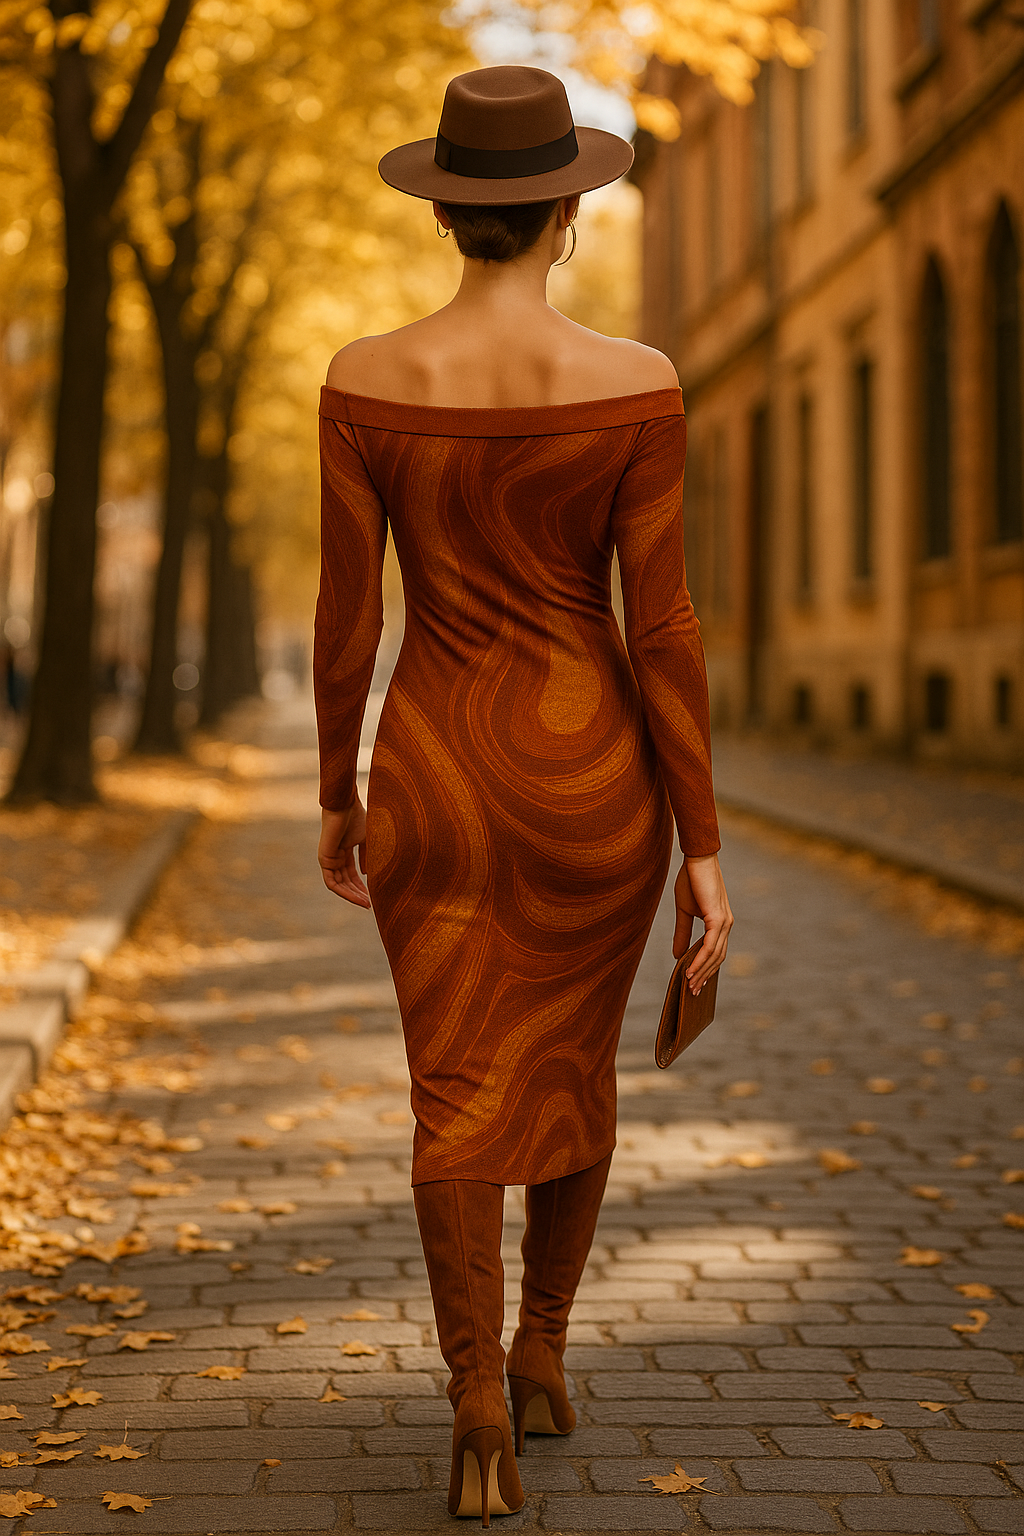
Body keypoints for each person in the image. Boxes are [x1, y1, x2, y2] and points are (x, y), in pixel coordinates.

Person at [314, 64, 733, 1525]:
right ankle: (543, 1352)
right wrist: (701, 841)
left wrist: (336, 788)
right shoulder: (640, 383)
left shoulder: (366, 379)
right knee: (571, 1068)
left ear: (447, 214)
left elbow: (347, 619)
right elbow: (663, 629)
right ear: (568, 214)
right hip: (593, 789)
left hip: (431, 775)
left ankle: (476, 1401)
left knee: (452, 1087)